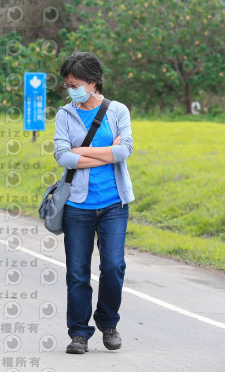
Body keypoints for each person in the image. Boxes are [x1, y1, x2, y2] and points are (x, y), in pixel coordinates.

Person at [53, 51, 135, 355]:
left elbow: (124, 151)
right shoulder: (65, 114)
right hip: (77, 205)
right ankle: (79, 333)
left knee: (113, 266)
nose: (71, 89)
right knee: (77, 272)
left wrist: (83, 153)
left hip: (115, 202)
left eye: (75, 83)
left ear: (92, 82)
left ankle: (108, 321)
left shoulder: (117, 111)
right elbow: (63, 156)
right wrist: (105, 153)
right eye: (67, 85)